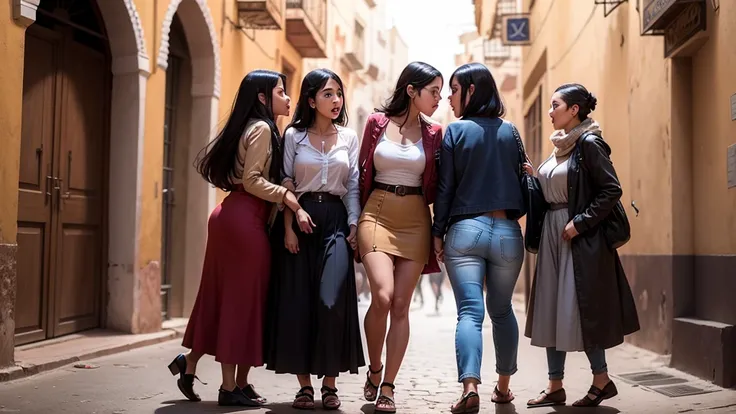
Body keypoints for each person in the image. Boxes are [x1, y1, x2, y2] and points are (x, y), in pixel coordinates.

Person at [167, 70, 312, 407]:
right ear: (263, 98)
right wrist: (287, 197)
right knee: (240, 302)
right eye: (280, 91)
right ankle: (229, 388)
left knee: (223, 298)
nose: (287, 98)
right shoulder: (262, 128)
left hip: (233, 217)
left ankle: (192, 365)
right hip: (244, 220)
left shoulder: (260, 128)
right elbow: (252, 180)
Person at [524, 83, 639, 408]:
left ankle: (601, 380)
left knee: (581, 307)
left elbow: (611, 190)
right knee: (550, 307)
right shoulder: (561, 145)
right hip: (553, 235)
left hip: (577, 238)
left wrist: (581, 223)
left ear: (574, 110)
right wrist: (535, 178)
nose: (550, 111)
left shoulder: (588, 143)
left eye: (555, 105)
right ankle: (555, 385)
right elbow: (560, 186)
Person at [264, 68, 365, 411]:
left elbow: (351, 185)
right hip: (301, 218)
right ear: (311, 100)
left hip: (335, 219)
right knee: (299, 302)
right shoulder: (293, 136)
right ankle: (305, 386)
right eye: (327, 94)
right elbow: (287, 182)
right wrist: (290, 226)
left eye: (338, 93)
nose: (335, 100)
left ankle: (330, 382)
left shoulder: (349, 137)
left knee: (330, 301)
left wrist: (353, 223)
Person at [432, 62, 525, 413]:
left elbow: (445, 189)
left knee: (470, 313)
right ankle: (503, 388)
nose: (449, 98)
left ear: (472, 91)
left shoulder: (455, 132)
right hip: (506, 233)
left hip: (465, 231)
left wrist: (437, 232)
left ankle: (470, 387)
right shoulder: (511, 132)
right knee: (501, 310)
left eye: (454, 90)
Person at [357, 61, 444, 413]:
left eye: (441, 92)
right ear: (411, 90)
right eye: (433, 92)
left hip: (416, 220)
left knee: (401, 306)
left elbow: (441, 183)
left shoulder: (435, 132)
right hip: (376, 212)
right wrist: (352, 220)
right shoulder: (376, 124)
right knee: (381, 295)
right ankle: (374, 366)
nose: (439, 99)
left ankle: (388, 386)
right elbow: (359, 173)